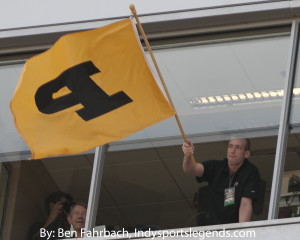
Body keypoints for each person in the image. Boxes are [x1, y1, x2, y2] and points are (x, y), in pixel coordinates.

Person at [182, 138, 260, 225]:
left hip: (234, 231)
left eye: (238, 147)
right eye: (230, 146)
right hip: (214, 231)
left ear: (247, 154)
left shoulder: (250, 172)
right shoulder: (216, 167)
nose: (232, 151)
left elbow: (245, 204)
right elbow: (190, 169)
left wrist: (241, 232)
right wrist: (187, 156)